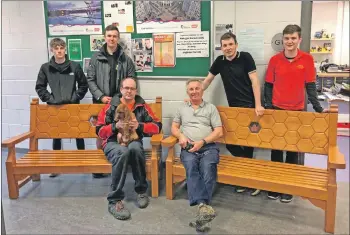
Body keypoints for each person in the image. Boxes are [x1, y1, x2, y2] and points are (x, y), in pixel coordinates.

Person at [264, 24, 327, 203]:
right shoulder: (274, 60)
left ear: (299, 40)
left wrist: (319, 109)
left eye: (293, 38)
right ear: (282, 40)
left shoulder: (307, 59)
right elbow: (268, 85)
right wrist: (269, 107)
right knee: (276, 150)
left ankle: (288, 187)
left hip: (297, 111)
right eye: (286, 38)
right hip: (277, 110)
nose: (289, 41)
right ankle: (275, 186)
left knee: (292, 151)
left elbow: (311, 87)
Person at [202, 32, 264, 196]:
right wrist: (195, 94)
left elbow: (255, 81)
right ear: (221, 47)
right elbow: (208, 80)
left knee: (249, 144)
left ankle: (248, 181)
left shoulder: (245, 57)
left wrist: (258, 104)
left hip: (250, 108)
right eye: (224, 45)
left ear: (236, 45)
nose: (228, 48)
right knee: (229, 141)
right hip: (232, 110)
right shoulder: (219, 62)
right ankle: (249, 176)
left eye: (230, 44)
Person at [96, 77, 162, 220]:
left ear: (136, 91)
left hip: (132, 138)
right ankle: (114, 200)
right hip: (112, 142)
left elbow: (157, 126)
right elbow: (99, 131)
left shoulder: (142, 106)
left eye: (132, 88)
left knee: (135, 149)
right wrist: (115, 127)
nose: (129, 91)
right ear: (121, 90)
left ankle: (141, 190)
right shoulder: (111, 106)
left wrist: (141, 126)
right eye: (126, 88)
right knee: (122, 152)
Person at [171, 79, 223, 232]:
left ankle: (202, 207)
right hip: (188, 148)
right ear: (188, 92)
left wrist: (202, 141)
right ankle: (204, 208)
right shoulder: (182, 108)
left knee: (208, 167)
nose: (194, 91)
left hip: (208, 147)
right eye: (191, 89)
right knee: (191, 167)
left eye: (197, 88)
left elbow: (219, 131)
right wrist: (180, 136)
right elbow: (174, 127)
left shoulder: (211, 108)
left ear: (202, 90)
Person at [87, 24, 136, 178]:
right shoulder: (95, 58)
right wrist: (100, 96)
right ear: (105, 37)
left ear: (118, 38)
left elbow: (131, 78)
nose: (112, 39)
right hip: (100, 101)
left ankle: (118, 163)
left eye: (114, 36)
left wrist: (123, 97)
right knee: (101, 133)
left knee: (120, 130)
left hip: (119, 103)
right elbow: (90, 79)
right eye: (109, 36)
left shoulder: (125, 59)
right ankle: (99, 166)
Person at [35, 38, 88, 177]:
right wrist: (51, 99)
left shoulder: (74, 66)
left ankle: (82, 163)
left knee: (79, 134)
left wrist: (75, 97)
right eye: (56, 48)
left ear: (65, 49)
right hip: (55, 108)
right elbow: (40, 87)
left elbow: (83, 85)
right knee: (56, 136)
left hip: (73, 106)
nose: (59, 50)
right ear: (51, 50)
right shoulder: (45, 68)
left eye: (61, 48)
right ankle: (56, 167)